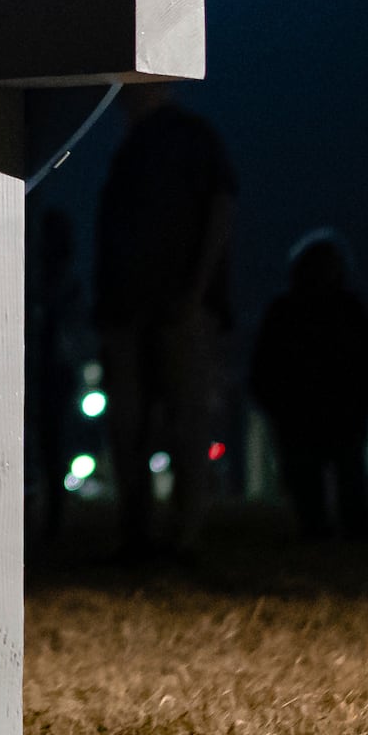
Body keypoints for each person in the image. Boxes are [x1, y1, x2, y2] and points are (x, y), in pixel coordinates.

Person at [92, 84, 235, 557]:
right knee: (137, 422)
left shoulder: (183, 139)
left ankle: (179, 533)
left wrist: (195, 292)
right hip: (133, 308)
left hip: (172, 306)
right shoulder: (138, 145)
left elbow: (220, 207)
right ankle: (147, 531)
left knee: (181, 419)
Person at [244, 231, 368, 540]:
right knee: (325, 473)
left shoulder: (297, 309)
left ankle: (336, 528)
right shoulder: (332, 308)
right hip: (316, 407)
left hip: (325, 407)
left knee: (333, 472)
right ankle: (337, 528)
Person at [25, 206, 94, 551]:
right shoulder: (60, 283)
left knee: (49, 445)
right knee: (49, 445)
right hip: (49, 369)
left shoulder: (52, 284)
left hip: (48, 369)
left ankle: (49, 517)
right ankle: (47, 516)